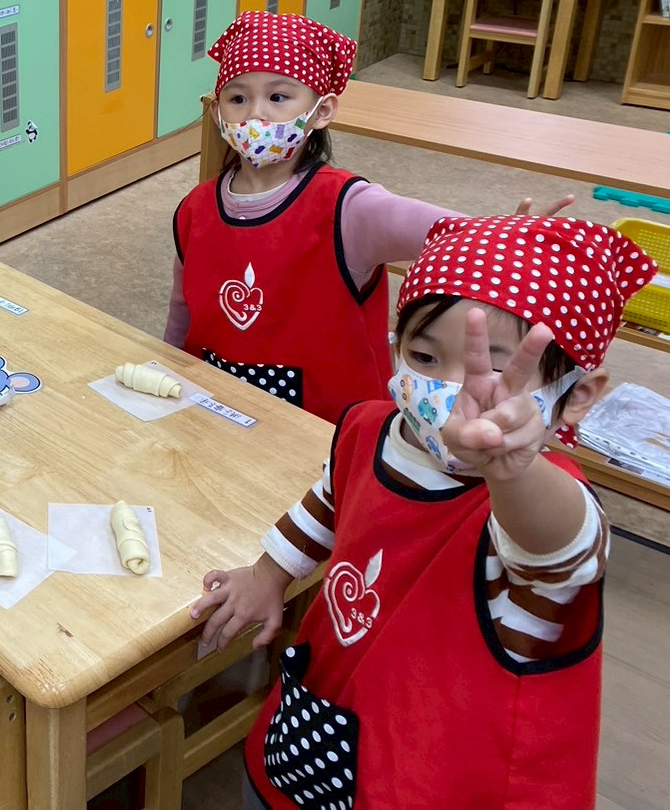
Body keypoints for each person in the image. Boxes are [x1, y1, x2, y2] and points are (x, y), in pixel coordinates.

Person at [190, 215, 657, 809]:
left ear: (575, 396)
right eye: (424, 357)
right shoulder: (370, 427)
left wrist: (512, 470)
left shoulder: (539, 503)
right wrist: (269, 573)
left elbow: (561, 555)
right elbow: (332, 497)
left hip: (448, 773)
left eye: (495, 371)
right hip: (325, 720)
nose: (456, 394)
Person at [166, 10, 569, 424]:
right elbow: (183, 308)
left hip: (334, 428)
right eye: (237, 99)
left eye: (278, 97)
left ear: (321, 111)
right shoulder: (195, 207)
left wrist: (512, 234)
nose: (255, 114)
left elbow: (454, 234)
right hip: (218, 408)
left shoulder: (351, 207)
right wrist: (170, 368)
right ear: (217, 112)